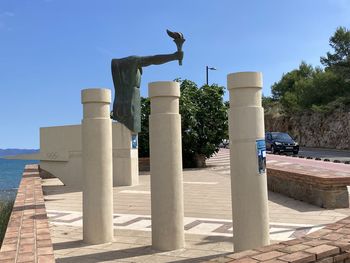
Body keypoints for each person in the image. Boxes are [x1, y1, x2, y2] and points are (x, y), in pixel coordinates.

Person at [111, 51, 183, 133]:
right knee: (130, 124)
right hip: (129, 100)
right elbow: (153, 59)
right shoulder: (133, 60)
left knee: (132, 127)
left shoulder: (122, 67)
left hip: (125, 100)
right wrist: (173, 56)